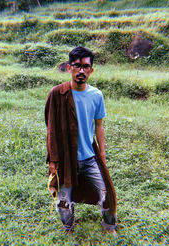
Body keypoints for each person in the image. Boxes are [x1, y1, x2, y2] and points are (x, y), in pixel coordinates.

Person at [45, 46, 117, 234]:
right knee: (63, 202)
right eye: (77, 66)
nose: (81, 71)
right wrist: (53, 160)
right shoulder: (57, 94)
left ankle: (109, 225)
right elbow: (51, 129)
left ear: (91, 70)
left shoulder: (96, 95)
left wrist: (101, 153)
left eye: (86, 67)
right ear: (69, 68)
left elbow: (99, 125)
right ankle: (68, 226)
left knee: (106, 195)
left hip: (90, 157)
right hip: (65, 159)